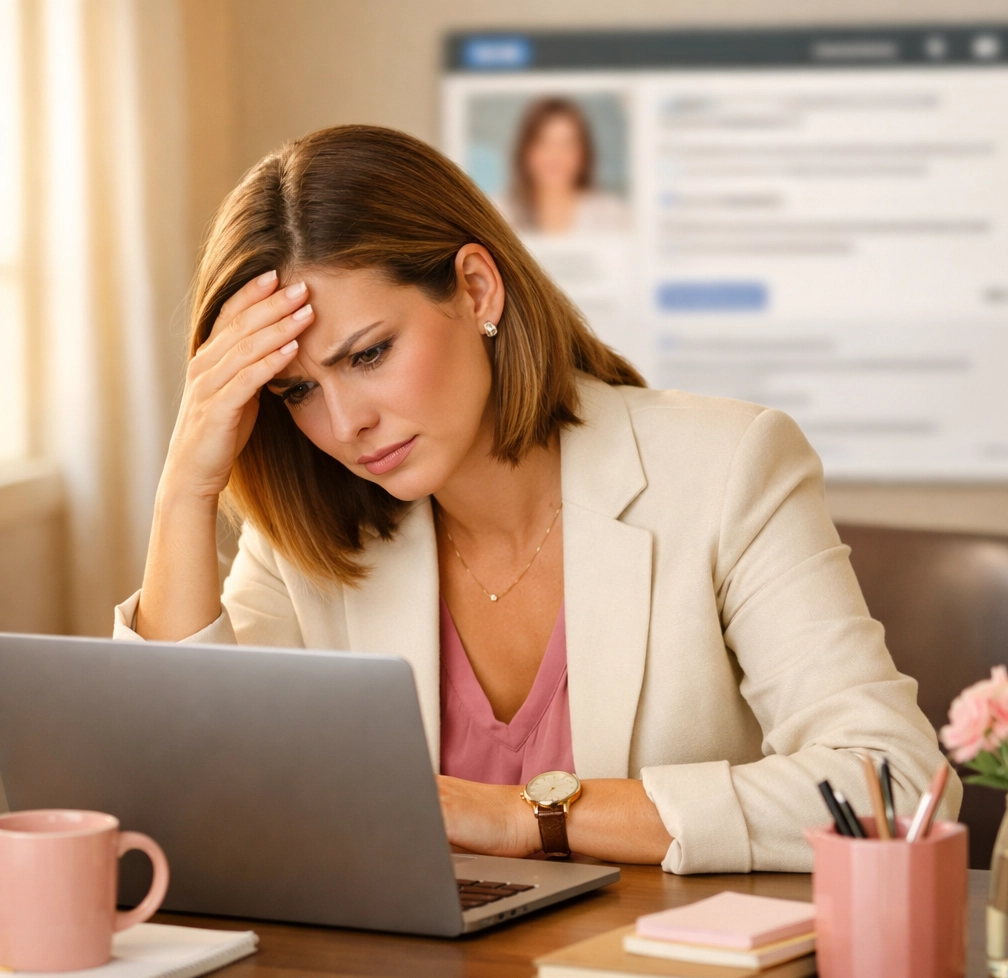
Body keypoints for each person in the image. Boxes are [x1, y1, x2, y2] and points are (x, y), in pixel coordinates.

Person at [115, 125, 959, 873]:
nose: (345, 424)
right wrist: (185, 488)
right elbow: (186, 796)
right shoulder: (308, 532)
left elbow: (894, 784)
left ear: (477, 289)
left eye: (368, 354)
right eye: (296, 392)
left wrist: (528, 817)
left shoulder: (727, 466)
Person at [498, 97, 627, 234]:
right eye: (544, 143)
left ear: (583, 153)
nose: (555, 156)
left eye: (566, 144)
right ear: (526, 150)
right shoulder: (499, 214)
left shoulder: (611, 215)